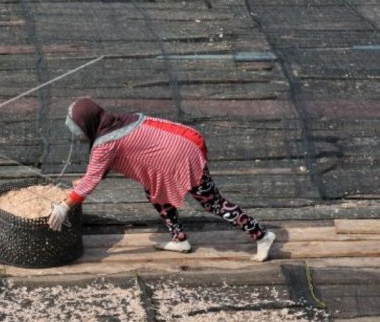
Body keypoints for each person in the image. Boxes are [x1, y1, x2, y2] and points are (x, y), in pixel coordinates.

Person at [48, 97, 276, 262]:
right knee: (154, 192)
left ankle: (262, 235)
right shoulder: (115, 121)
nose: (77, 134)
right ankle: (179, 240)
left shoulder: (106, 142)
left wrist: (64, 207)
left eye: (77, 128)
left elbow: (93, 179)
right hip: (182, 141)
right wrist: (85, 180)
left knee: (212, 203)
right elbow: (100, 168)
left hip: (184, 156)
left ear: (87, 123)